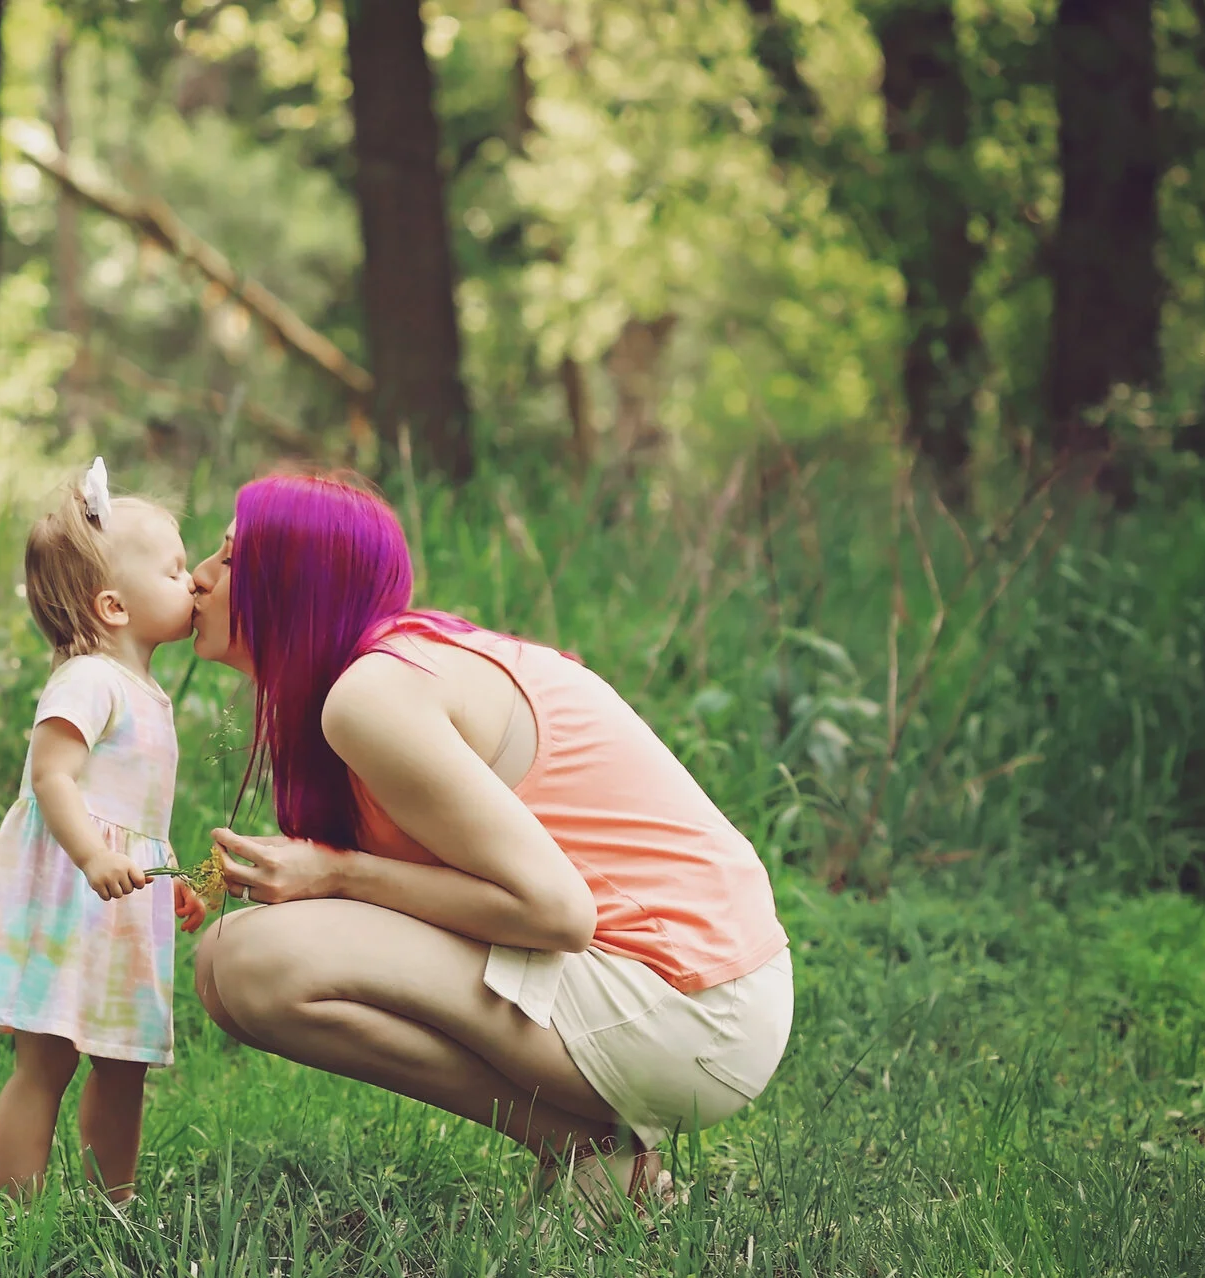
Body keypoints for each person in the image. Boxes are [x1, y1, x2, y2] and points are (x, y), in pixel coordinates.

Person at [186, 471, 792, 1213]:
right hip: (694, 996)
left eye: (228, 559)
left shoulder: (372, 695)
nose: (198, 576)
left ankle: (592, 1153)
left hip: (693, 1004)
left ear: (293, 584)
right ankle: (591, 1151)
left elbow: (558, 912)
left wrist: (338, 876)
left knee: (249, 960)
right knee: (224, 970)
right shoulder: (388, 674)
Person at [0, 460, 208, 1200]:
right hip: (70, 896)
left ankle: (113, 1204)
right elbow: (53, 778)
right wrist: (94, 854)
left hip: (122, 901)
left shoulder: (145, 691)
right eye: (174, 571)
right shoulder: (89, 679)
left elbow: (134, 810)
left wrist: (168, 876)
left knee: (125, 1063)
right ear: (114, 606)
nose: (193, 583)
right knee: (47, 1062)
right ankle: (16, 1212)